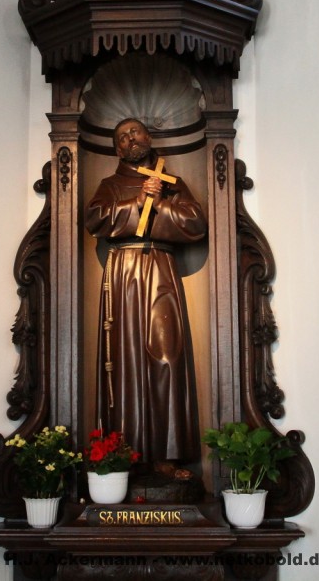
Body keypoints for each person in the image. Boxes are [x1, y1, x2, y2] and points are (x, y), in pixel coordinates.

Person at [84, 118, 206, 465]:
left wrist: (159, 203)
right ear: (116, 149)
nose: (130, 139)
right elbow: (95, 220)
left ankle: (168, 457)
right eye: (122, 137)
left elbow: (196, 223)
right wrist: (137, 202)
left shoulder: (172, 183)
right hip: (123, 273)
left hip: (161, 268)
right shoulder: (110, 185)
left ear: (148, 136)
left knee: (167, 354)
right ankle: (126, 456)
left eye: (134, 132)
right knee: (126, 358)